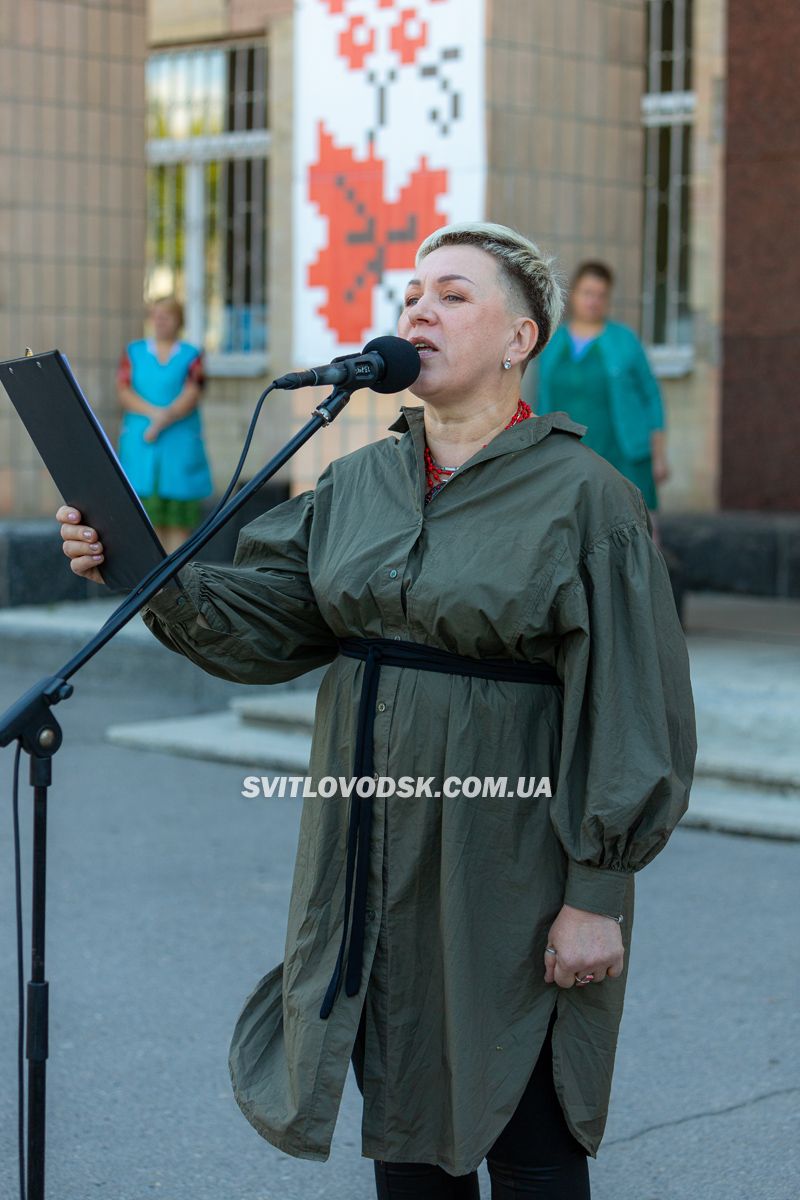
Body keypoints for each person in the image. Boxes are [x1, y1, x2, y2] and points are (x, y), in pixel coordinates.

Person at [57, 222, 696, 1199]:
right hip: (369, 861)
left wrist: (595, 894)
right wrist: (137, 568)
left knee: (529, 1140)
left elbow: (633, 705)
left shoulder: (585, 497)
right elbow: (259, 620)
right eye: (408, 297)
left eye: (450, 295)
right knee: (405, 1141)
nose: (416, 312)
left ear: (519, 339)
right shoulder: (353, 481)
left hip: (511, 862)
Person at [528, 260, 669, 545]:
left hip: (625, 452)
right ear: (574, 295)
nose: (594, 301)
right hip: (568, 454)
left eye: (601, 294)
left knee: (640, 529)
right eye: (587, 292)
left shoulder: (624, 340)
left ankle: (646, 587)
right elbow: (540, 398)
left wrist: (660, 454)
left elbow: (651, 397)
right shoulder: (553, 342)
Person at [116, 295, 213, 554]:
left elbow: (193, 392)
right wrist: (155, 414)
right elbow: (123, 391)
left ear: (178, 320)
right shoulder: (133, 352)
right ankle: (154, 585)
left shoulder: (192, 355)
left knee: (179, 519)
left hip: (178, 444)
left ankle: (177, 582)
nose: (160, 321)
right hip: (141, 444)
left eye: (166, 316)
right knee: (146, 518)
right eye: (156, 315)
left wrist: (162, 420)